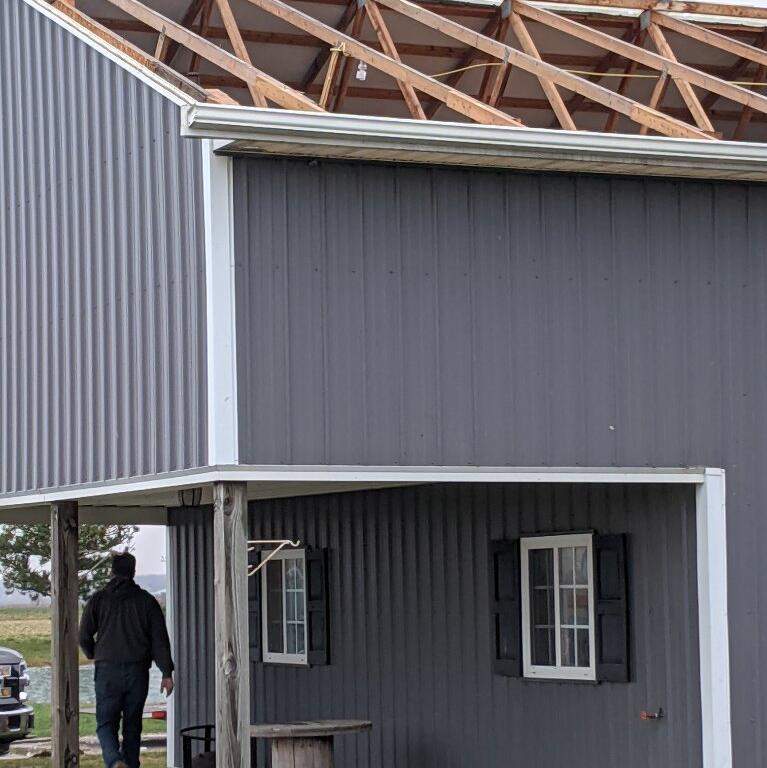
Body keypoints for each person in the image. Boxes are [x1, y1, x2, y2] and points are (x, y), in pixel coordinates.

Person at [79, 552, 175, 768]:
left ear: (112, 571)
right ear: (133, 572)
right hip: (137, 672)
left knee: (106, 724)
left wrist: (94, 653)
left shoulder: (99, 599)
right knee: (133, 725)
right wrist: (166, 672)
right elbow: (159, 640)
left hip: (107, 671)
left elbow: (83, 635)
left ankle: (114, 761)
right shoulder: (147, 601)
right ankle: (129, 764)